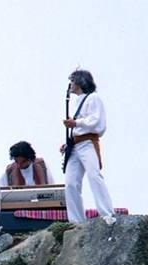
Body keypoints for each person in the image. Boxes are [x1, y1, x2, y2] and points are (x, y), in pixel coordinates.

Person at [60, 70, 116, 225]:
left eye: (72, 81)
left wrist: (76, 123)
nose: (70, 84)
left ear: (80, 82)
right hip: (75, 145)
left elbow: (96, 120)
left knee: (94, 175)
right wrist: (69, 141)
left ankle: (107, 213)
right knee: (71, 183)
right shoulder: (77, 102)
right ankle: (76, 221)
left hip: (87, 143)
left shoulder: (93, 98)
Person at [0, 141, 53, 213]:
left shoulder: (42, 166)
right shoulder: (9, 172)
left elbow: (52, 188)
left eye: (23, 162)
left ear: (30, 158)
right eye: (16, 161)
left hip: (42, 210)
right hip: (17, 213)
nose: (19, 165)